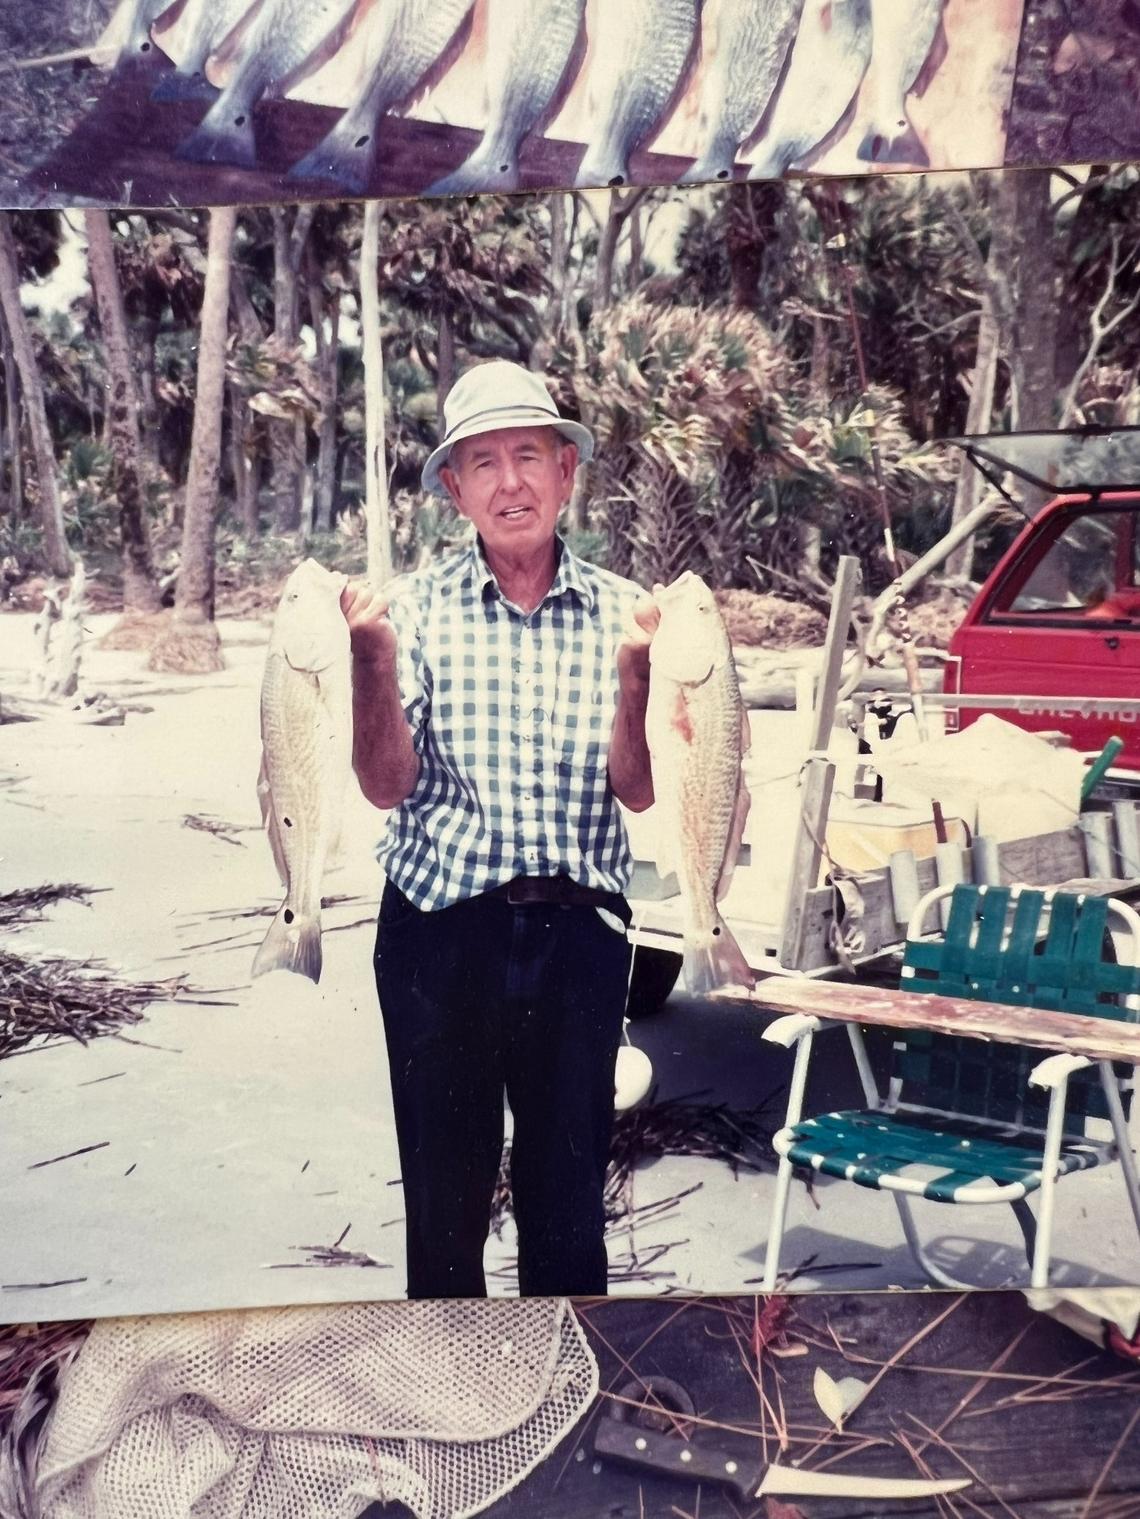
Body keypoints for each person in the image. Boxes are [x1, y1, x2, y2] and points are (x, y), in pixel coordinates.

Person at [340, 359, 658, 1299]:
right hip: (442, 939)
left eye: (529, 456)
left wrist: (639, 678)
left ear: (567, 471)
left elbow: (638, 793)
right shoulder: (415, 612)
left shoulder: (629, 613)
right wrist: (369, 662)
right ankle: (451, 1406)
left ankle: (566, 1399)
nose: (509, 482)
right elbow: (386, 784)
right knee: (445, 1208)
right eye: (484, 463)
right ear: (453, 489)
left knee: (568, 1209)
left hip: (579, 941)